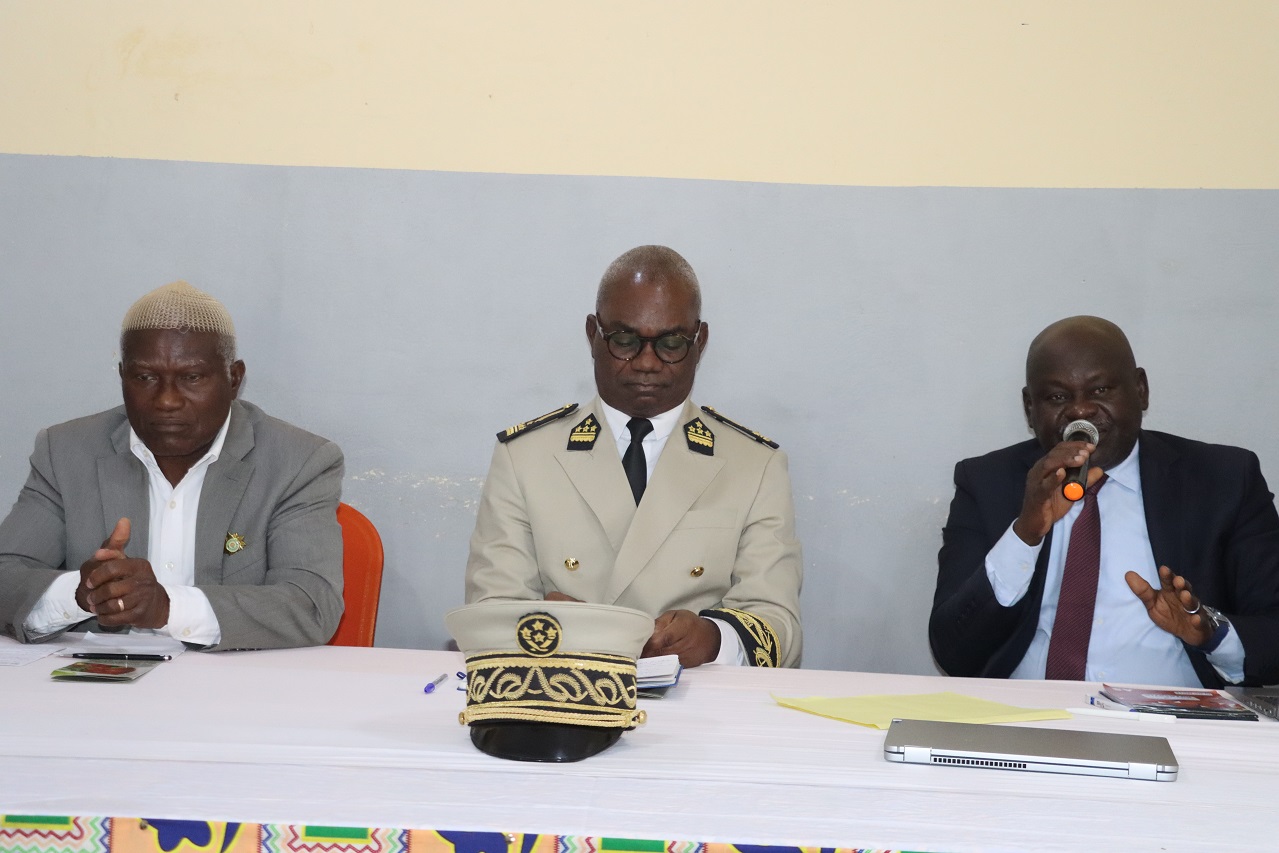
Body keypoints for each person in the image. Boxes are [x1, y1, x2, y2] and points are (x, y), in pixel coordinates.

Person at [465, 245, 802, 668]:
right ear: (593, 334)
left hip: (700, 694)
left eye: (671, 343)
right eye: (624, 341)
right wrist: (553, 626)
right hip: (565, 688)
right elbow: (491, 608)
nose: (646, 363)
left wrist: (714, 639)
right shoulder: (525, 458)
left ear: (700, 342)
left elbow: (777, 620)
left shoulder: (754, 465)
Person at [931, 315, 1279, 688]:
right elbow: (953, 652)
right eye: (1057, 397)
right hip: (1029, 713)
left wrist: (1209, 632)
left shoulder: (1224, 479)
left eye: (1099, 390)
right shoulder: (987, 482)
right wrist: (1024, 534)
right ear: (1030, 407)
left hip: (1172, 716)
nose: (1080, 411)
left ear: (1141, 390)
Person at [0, 281, 344, 649]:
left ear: (234, 378)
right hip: (102, 679)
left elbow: (311, 605)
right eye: (145, 377)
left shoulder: (297, 461)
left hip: (233, 679)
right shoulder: (66, 452)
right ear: (122, 376)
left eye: (191, 377)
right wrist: (81, 593)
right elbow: (6, 576)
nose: (166, 401)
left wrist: (167, 608)